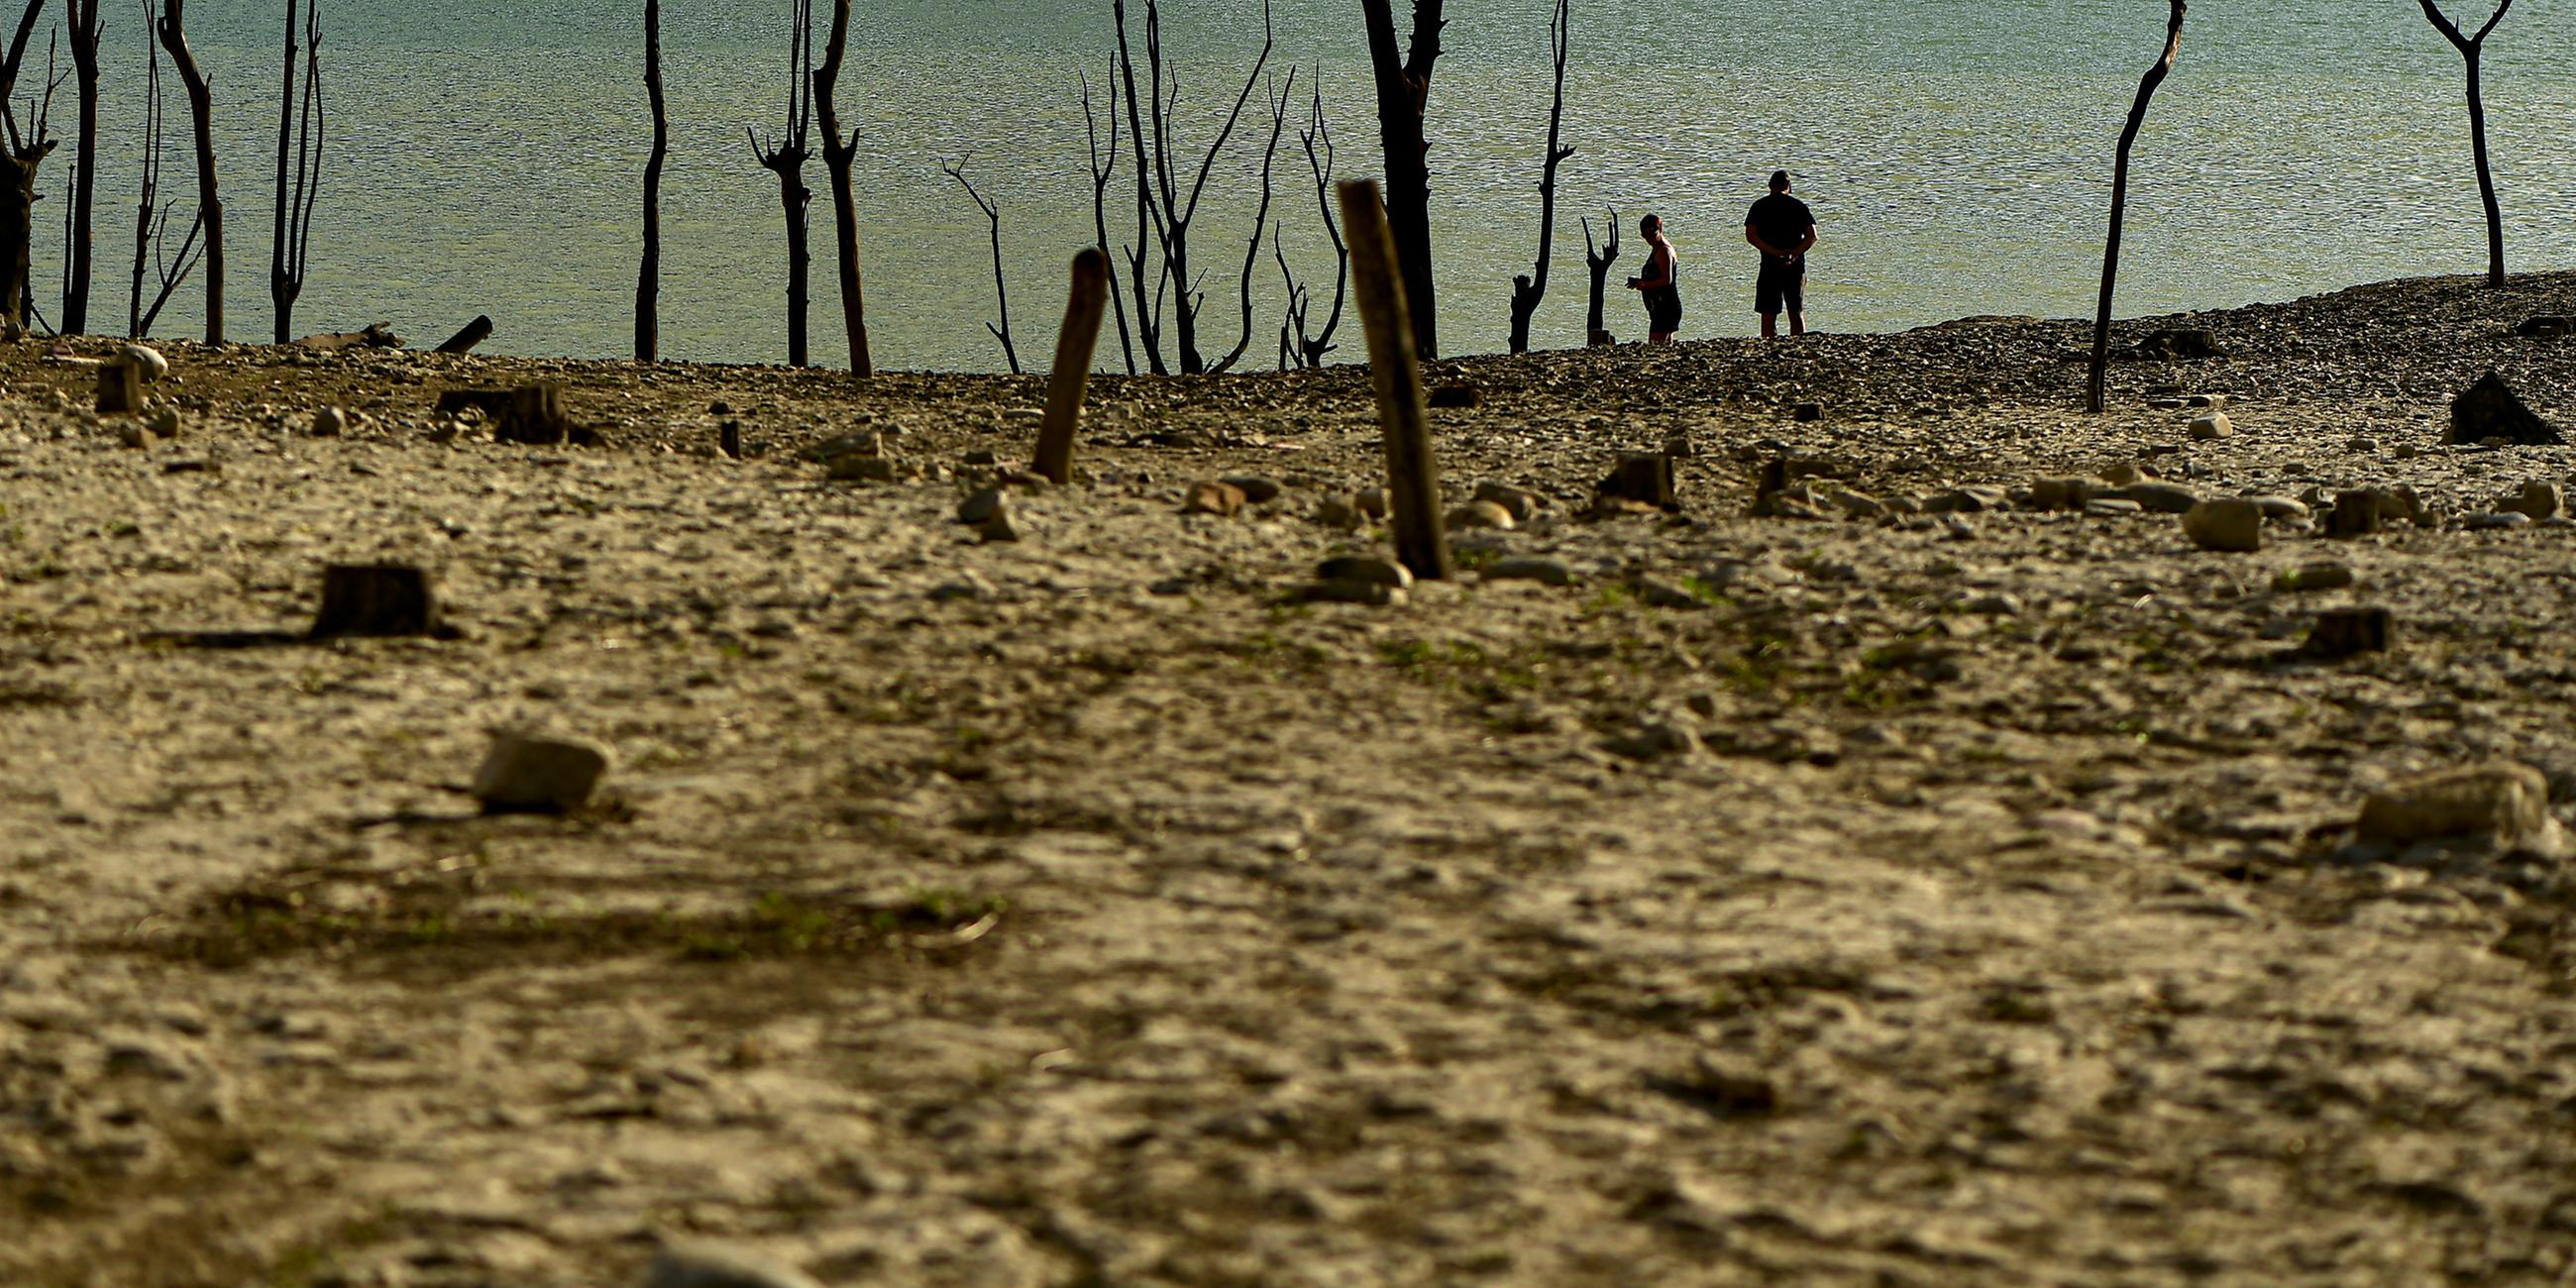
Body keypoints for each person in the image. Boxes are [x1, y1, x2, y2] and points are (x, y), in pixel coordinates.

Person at [1745, 169, 1817, 337]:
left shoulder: (1759, 206)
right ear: (1789, 186)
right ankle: (1798, 345)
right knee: (1795, 311)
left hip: (1770, 264)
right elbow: (1812, 237)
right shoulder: (1798, 206)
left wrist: (1775, 253)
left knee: (1768, 313)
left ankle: (1768, 346)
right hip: (1795, 265)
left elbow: (1751, 236)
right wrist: (1794, 253)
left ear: (1770, 186)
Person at [1624, 214, 1680, 345]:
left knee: (1655, 348)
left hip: (1666, 307)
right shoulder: (1656, 249)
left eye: (1652, 235)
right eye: (1645, 236)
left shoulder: (1664, 251)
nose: (1649, 239)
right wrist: (1639, 282)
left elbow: (1667, 280)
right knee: (1664, 349)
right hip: (1660, 307)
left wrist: (1644, 284)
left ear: (1660, 228)